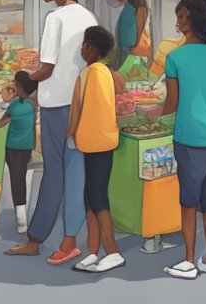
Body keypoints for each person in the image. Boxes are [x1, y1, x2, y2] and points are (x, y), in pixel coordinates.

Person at [6, 0, 98, 263]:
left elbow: (47, 67)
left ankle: (36, 237)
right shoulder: (88, 16)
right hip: (81, 101)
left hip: (56, 103)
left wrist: (24, 81)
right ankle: (72, 238)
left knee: (54, 172)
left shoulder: (55, 18)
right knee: (77, 170)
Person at [160, 0, 206, 280]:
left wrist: (155, 114)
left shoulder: (175, 58)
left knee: (189, 201)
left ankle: (188, 260)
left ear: (195, 20)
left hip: (189, 137)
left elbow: (172, 104)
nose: (178, 22)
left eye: (182, 17)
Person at [66, 26, 124, 273]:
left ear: (91, 48)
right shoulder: (102, 73)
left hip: (94, 142)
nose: (81, 49)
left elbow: (78, 110)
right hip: (100, 142)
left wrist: (71, 135)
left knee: (98, 197)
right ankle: (93, 250)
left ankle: (112, 252)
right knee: (90, 197)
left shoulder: (90, 73)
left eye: (84, 44)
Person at [0, 71, 37, 237]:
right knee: (21, 178)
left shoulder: (15, 105)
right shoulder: (31, 105)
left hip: (12, 148)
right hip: (27, 147)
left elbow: (1, 123)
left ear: (19, 86)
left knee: (16, 181)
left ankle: (21, 219)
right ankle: (22, 217)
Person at [106, 0, 151, 81]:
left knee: (131, 88)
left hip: (133, 54)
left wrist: (132, 51)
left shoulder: (137, 4)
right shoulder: (130, 4)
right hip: (128, 52)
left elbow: (139, 30)